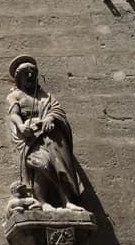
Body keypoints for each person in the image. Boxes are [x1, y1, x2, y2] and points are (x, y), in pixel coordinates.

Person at [6, 55, 83, 211]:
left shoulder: (46, 96)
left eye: (32, 73)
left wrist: (50, 118)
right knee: (42, 164)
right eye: (26, 74)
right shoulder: (15, 96)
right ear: (18, 77)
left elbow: (57, 110)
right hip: (31, 137)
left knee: (58, 166)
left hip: (51, 137)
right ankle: (41, 201)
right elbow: (14, 114)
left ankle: (66, 201)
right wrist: (21, 126)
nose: (29, 76)